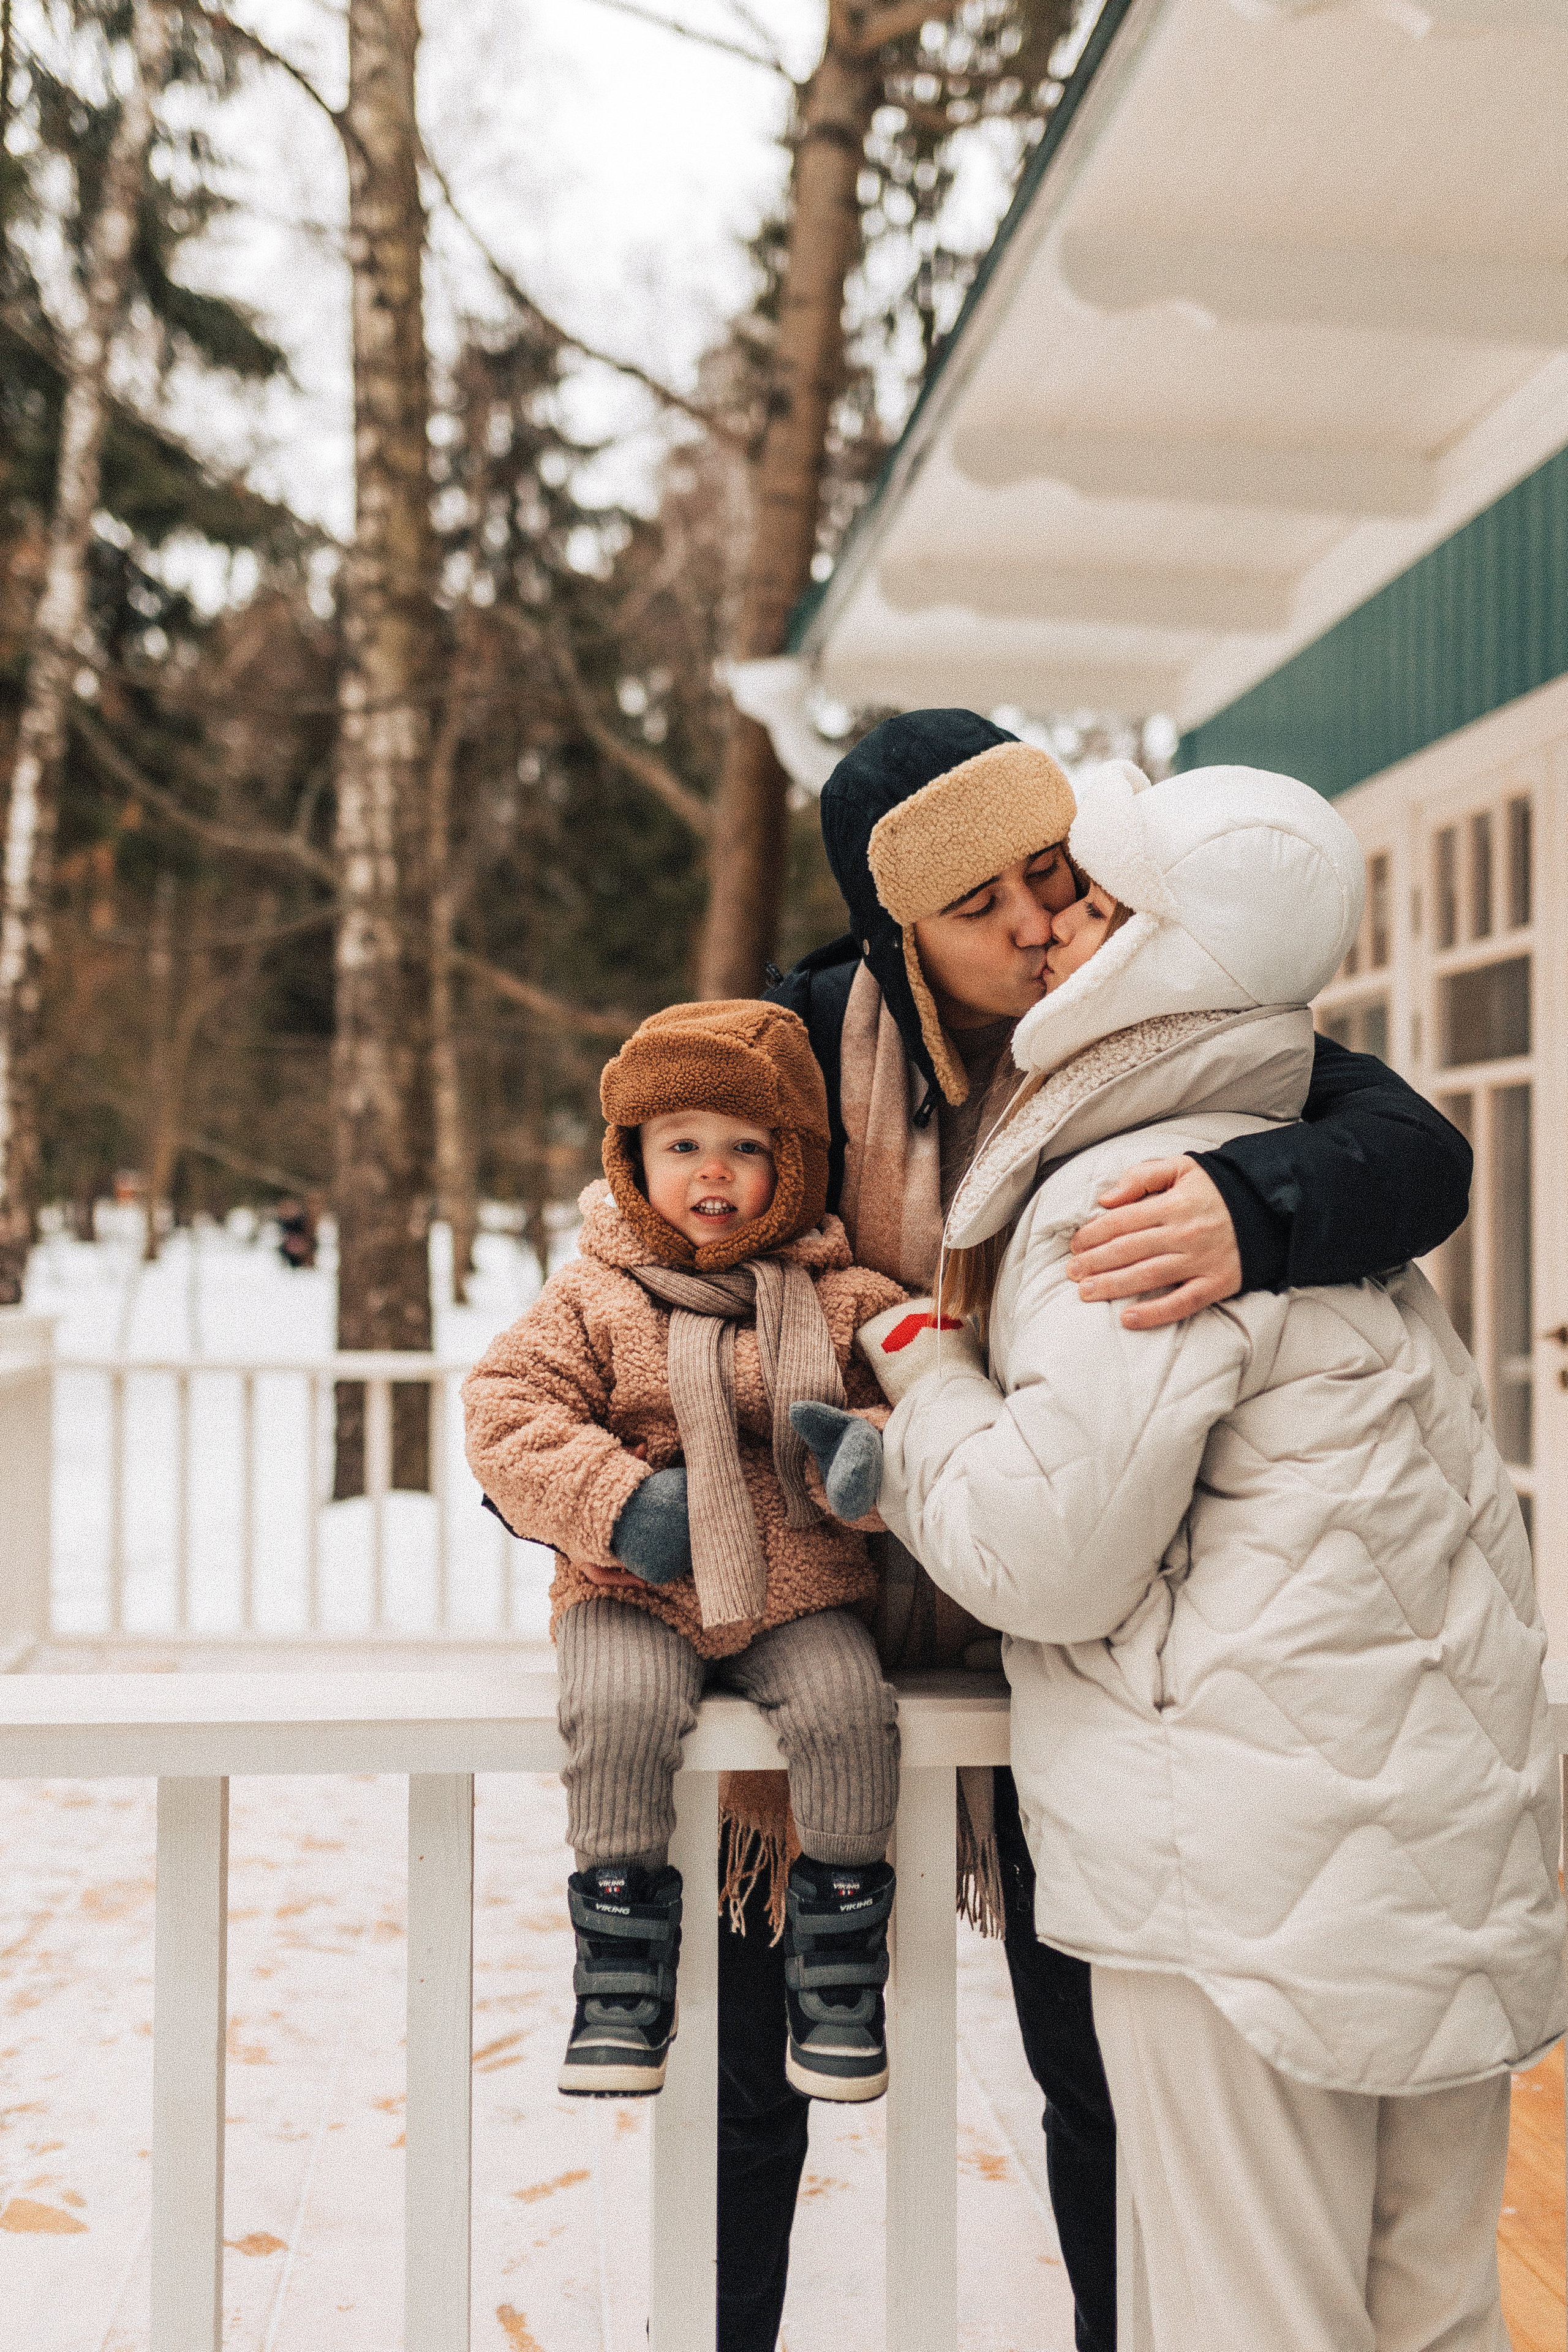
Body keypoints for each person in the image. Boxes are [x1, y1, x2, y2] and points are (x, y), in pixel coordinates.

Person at [723, 709, 1473, 2352]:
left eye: (1048, 873)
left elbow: (1422, 1152)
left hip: (1081, 1653)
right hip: (818, 1630)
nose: (1031, 922)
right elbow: (648, 1231)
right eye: (974, 901)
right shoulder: (790, 1049)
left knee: (1105, 2101)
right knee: (755, 2081)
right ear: (890, 931)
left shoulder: (1153, 1038)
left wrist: (1251, 1208)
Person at [462, 1000, 905, 2104]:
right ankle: (620, 1963)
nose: (713, 1172)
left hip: (796, 1586)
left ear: (793, 1166)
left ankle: (841, 1956)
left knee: (851, 1709)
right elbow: (507, 1410)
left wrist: (872, 1467)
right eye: (682, 1146)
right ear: (633, 1160)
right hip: (637, 1585)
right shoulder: (595, 1295)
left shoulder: (844, 1299)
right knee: (615, 1707)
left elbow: (928, 1408)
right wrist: (616, 1503)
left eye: (746, 1148)